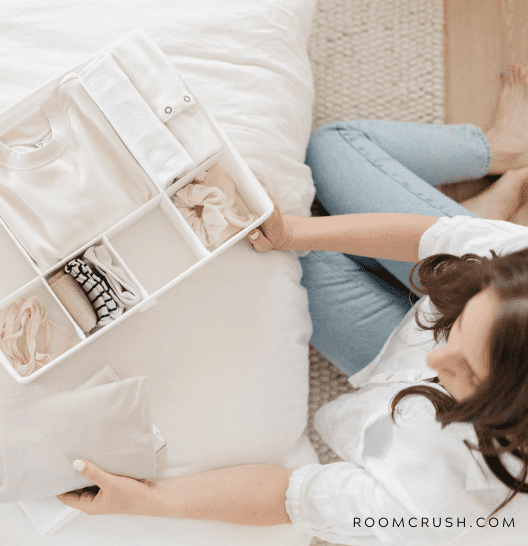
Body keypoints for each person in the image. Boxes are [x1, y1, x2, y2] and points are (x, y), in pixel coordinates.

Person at [56, 64, 528, 545]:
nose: (434, 358)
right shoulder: (518, 275)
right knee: (332, 150)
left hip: (391, 360)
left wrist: (151, 500)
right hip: (444, 296)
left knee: (280, 270)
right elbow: (431, 239)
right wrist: (292, 232)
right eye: (462, 326)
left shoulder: (443, 512)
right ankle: (500, 160)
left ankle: (481, 225)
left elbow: (289, 496)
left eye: (468, 372)